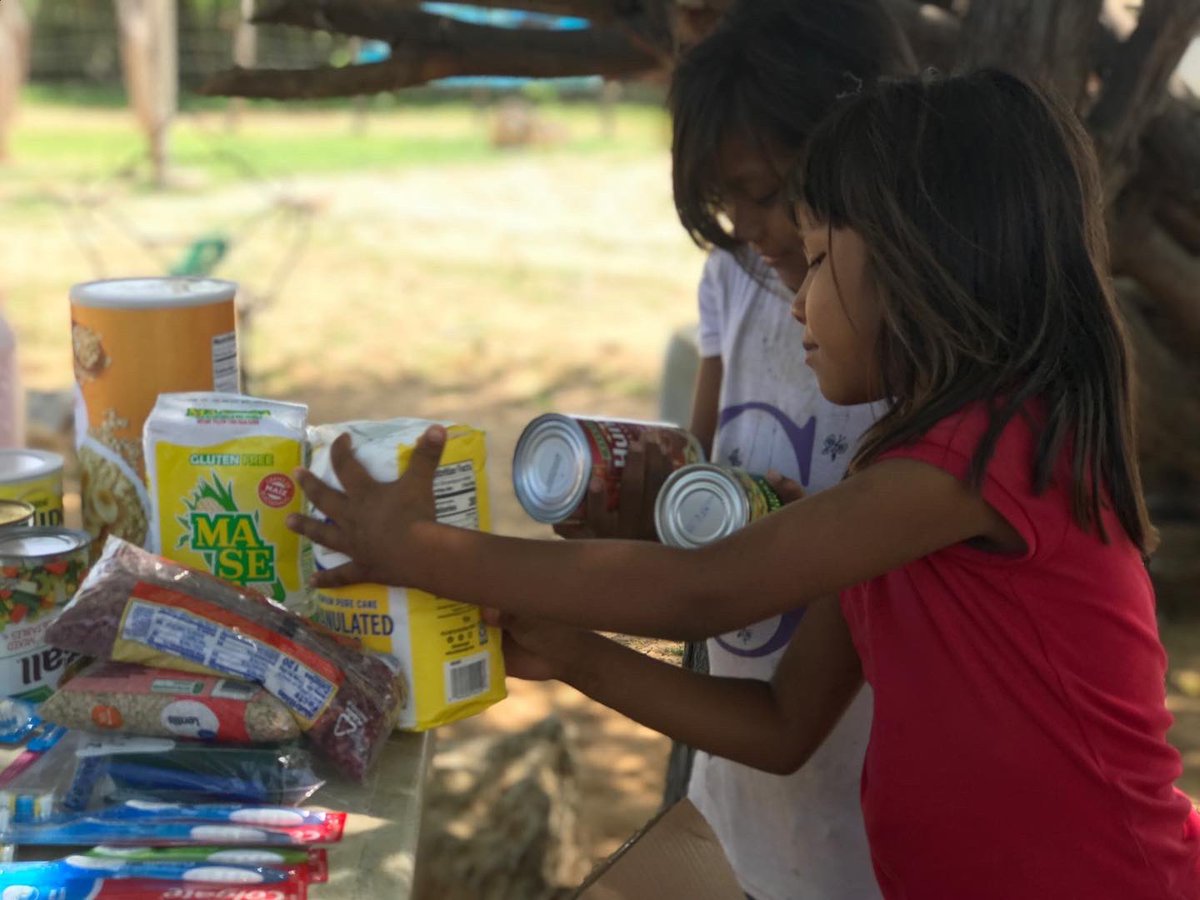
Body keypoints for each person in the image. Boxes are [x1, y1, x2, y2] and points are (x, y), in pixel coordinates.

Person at [291, 69, 1200, 899]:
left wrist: (421, 551)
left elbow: (705, 591)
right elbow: (780, 723)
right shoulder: (901, 489)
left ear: (920, 260)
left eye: (817, 260)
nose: (797, 301)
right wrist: (573, 652)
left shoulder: (985, 452)